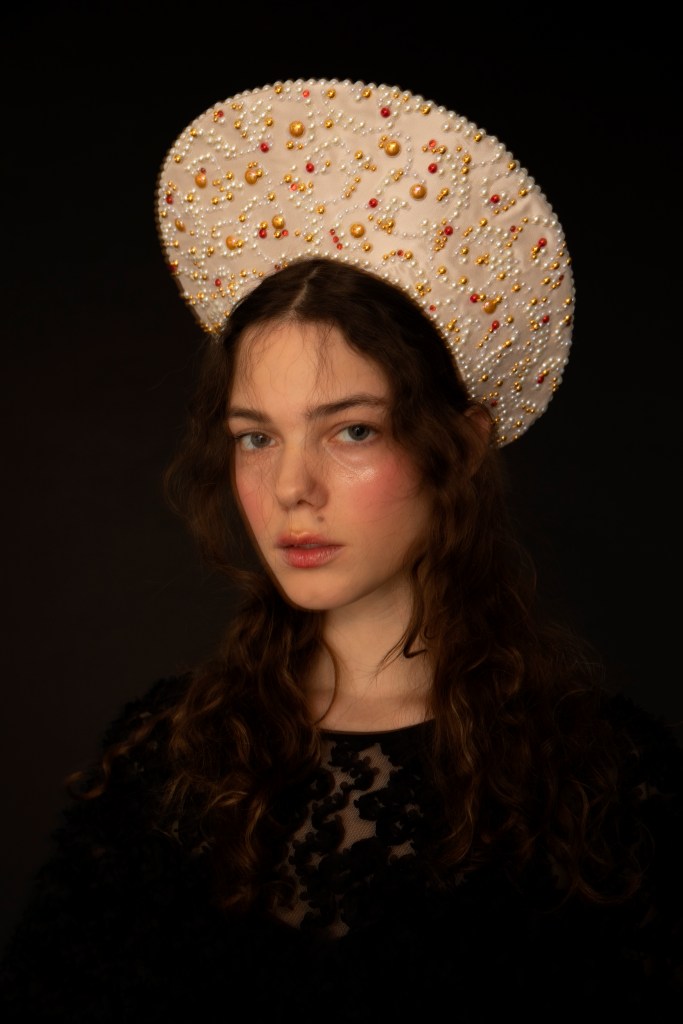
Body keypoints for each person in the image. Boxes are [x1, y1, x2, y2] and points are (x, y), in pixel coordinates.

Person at [1, 78, 682, 1022]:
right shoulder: (167, 756)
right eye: (256, 436)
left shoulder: (602, 777)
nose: (292, 487)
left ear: (459, 448)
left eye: (351, 430)